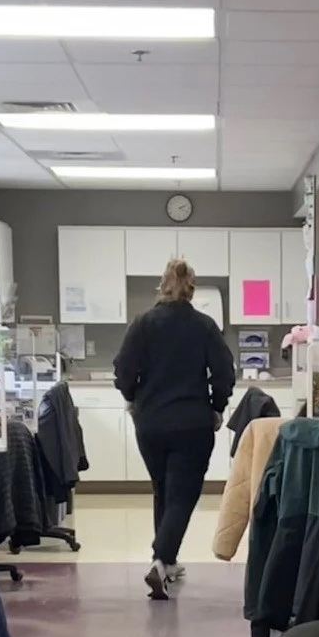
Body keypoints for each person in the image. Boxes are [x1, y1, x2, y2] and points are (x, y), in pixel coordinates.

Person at [114, 257, 236, 600]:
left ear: (162, 285)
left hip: (150, 424)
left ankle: (165, 562)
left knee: (164, 490)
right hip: (192, 423)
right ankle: (161, 559)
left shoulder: (143, 323)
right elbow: (224, 372)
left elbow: (123, 369)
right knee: (182, 495)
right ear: (191, 289)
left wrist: (133, 397)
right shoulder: (204, 326)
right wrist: (217, 406)